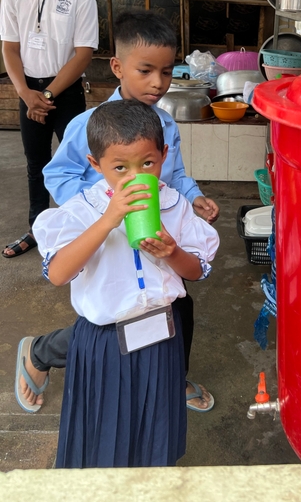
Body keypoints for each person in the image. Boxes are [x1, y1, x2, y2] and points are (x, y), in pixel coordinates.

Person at [15, 10, 219, 415]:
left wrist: (192, 196)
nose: (158, 83)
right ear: (117, 67)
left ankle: (170, 376)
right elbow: (58, 172)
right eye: (145, 71)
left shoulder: (164, 122)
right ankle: (39, 353)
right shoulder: (89, 124)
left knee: (171, 305)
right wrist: (101, 207)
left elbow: (173, 172)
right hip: (106, 232)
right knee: (109, 319)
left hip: (151, 230)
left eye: (166, 71)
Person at [32, 99, 220, 467]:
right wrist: (107, 220)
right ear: (95, 164)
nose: (135, 176)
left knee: (154, 435)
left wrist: (172, 252)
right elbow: (58, 273)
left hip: (161, 337)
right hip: (103, 343)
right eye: (120, 168)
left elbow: (195, 271)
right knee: (102, 439)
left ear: (164, 155)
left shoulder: (175, 205)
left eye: (147, 163)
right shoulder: (81, 209)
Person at [1, 0, 99, 258]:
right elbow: (10, 48)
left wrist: (46, 95)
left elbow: (84, 54)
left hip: (65, 91)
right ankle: (38, 231)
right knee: (36, 163)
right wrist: (26, 93)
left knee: (80, 162)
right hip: (28, 91)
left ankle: (87, 230)